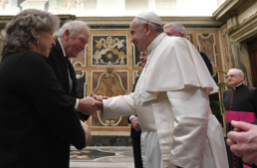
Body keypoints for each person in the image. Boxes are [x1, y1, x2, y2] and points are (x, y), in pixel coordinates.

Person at [95, 11, 228, 168]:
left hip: (178, 148)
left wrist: (182, 162)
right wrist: (102, 104)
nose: (131, 39)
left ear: (146, 28)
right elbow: (140, 99)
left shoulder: (174, 46)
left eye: (132, 33)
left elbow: (191, 114)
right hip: (161, 142)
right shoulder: (155, 53)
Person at [0, 9, 97, 168]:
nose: (54, 42)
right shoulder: (31, 60)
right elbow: (55, 105)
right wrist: (80, 134)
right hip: (25, 158)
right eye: (49, 34)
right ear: (35, 35)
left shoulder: (11, 59)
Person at [48, 20, 90, 121]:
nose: (83, 48)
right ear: (66, 34)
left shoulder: (66, 62)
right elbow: (48, 95)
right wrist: (80, 104)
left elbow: (68, 97)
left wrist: (88, 104)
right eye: (81, 40)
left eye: (85, 44)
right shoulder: (48, 53)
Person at [223, 68, 257, 168]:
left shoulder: (252, 91)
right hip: (231, 128)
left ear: (241, 77)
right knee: (233, 158)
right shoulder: (226, 93)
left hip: (247, 130)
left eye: (232, 76)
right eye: (227, 76)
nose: (229, 78)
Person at [128, 51, 147, 168]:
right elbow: (133, 101)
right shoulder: (138, 79)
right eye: (140, 55)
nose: (141, 58)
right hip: (138, 131)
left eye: (144, 55)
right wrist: (132, 118)